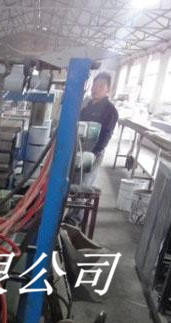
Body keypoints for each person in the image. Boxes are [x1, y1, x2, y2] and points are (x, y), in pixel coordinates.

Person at [66, 71, 119, 226]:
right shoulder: (86, 105)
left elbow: (106, 135)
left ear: (108, 89)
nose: (96, 89)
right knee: (73, 181)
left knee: (83, 184)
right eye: (95, 85)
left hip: (92, 153)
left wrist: (94, 154)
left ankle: (73, 220)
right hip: (77, 149)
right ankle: (68, 214)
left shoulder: (110, 111)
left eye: (101, 86)